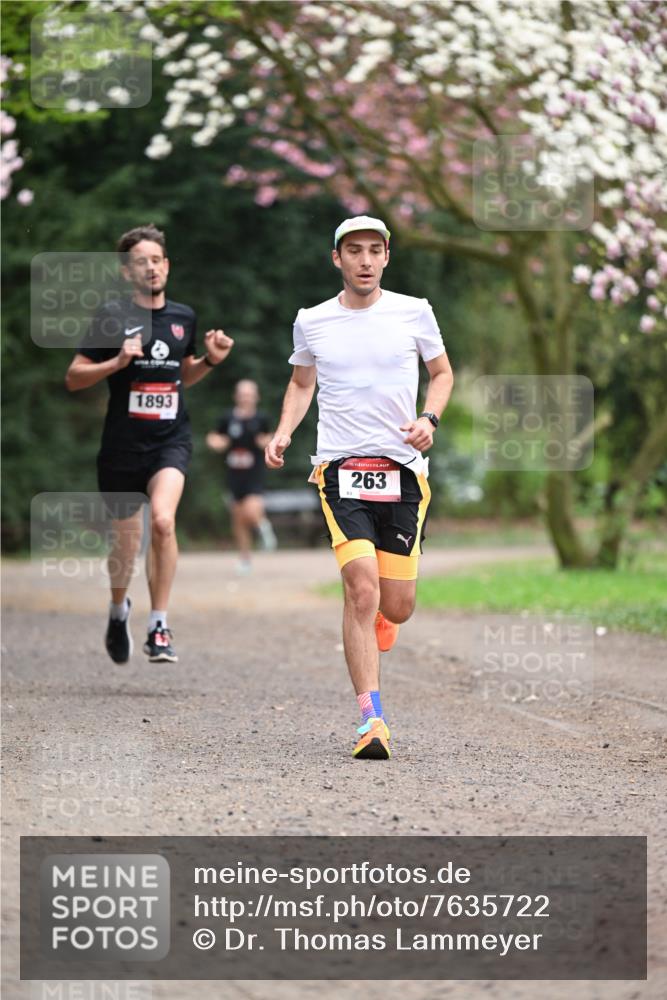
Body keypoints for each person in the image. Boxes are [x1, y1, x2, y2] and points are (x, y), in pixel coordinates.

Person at [265, 216, 454, 760]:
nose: (365, 260)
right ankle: (372, 720)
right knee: (361, 588)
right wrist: (284, 431)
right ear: (337, 259)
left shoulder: (414, 310)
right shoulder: (313, 320)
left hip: (402, 471)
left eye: (374, 250)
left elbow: (442, 374)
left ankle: (380, 621)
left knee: (397, 605)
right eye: (354, 251)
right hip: (340, 470)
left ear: (387, 257)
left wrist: (430, 420)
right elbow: (302, 384)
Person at [65, 224, 233, 664]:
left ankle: (159, 624)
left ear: (167, 266)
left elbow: (182, 377)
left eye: (157, 260)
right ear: (127, 271)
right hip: (122, 445)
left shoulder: (183, 317)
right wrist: (117, 361)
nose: (151, 268)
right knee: (125, 544)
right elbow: (73, 376)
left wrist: (210, 360)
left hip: (170, 440)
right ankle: (118, 609)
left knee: (162, 522)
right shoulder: (111, 316)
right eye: (141, 261)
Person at [206, 379, 276, 572]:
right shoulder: (228, 418)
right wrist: (216, 442)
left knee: (251, 511)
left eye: (250, 394)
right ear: (236, 396)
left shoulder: (261, 418)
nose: (246, 398)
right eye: (242, 394)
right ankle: (245, 558)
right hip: (233, 474)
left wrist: (266, 442)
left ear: (256, 397)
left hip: (255, 474)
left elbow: (270, 438)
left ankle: (264, 528)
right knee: (238, 519)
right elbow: (214, 437)